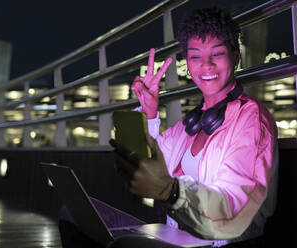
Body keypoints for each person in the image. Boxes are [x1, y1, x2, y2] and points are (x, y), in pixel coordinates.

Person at [116, 6, 279, 248]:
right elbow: (142, 165)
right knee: (75, 220)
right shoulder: (190, 124)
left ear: (235, 56)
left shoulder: (251, 119)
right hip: (179, 239)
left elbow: (231, 210)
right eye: (195, 56)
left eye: (217, 54)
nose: (206, 65)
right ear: (188, 63)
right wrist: (149, 111)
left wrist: (172, 192)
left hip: (221, 243)